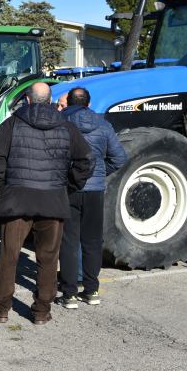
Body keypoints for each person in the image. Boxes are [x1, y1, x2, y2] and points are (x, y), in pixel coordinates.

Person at [0, 82, 93, 325]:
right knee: (48, 258)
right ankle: (42, 311)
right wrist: (70, 186)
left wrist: (0, 187)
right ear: (51, 100)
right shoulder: (66, 126)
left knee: (8, 256)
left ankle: (1, 309)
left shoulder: (12, 124)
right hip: (52, 198)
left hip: (17, 198)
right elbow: (86, 160)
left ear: (28, 100)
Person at [56, 87, 127, 308]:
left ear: (68, 102)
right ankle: (91, 290)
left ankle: (68, 294)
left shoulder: (61, 123)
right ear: (88, 102)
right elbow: (119, 158)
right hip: (95, 189)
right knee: (93, 241)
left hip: (69, 188)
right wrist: (98, 172)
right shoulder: (103, 124)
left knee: (69, 241)